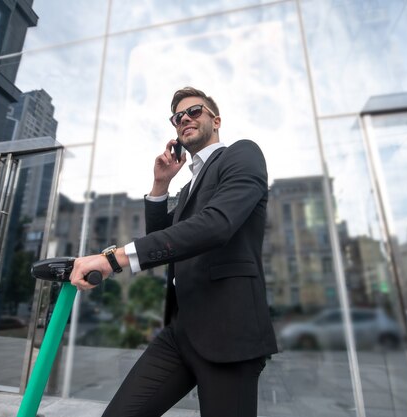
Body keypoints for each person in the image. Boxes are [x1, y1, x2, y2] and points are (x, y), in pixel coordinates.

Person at [70, 86, 278, 417]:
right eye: (177, 117)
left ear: (216, 120)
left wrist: (113, 258)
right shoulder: (187, 188)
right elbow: (163, 241)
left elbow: (216, 225)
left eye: (194, 112)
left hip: (229, 332)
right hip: (181, 332)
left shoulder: (243, 154)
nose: (184, 119)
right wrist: (160, 186)